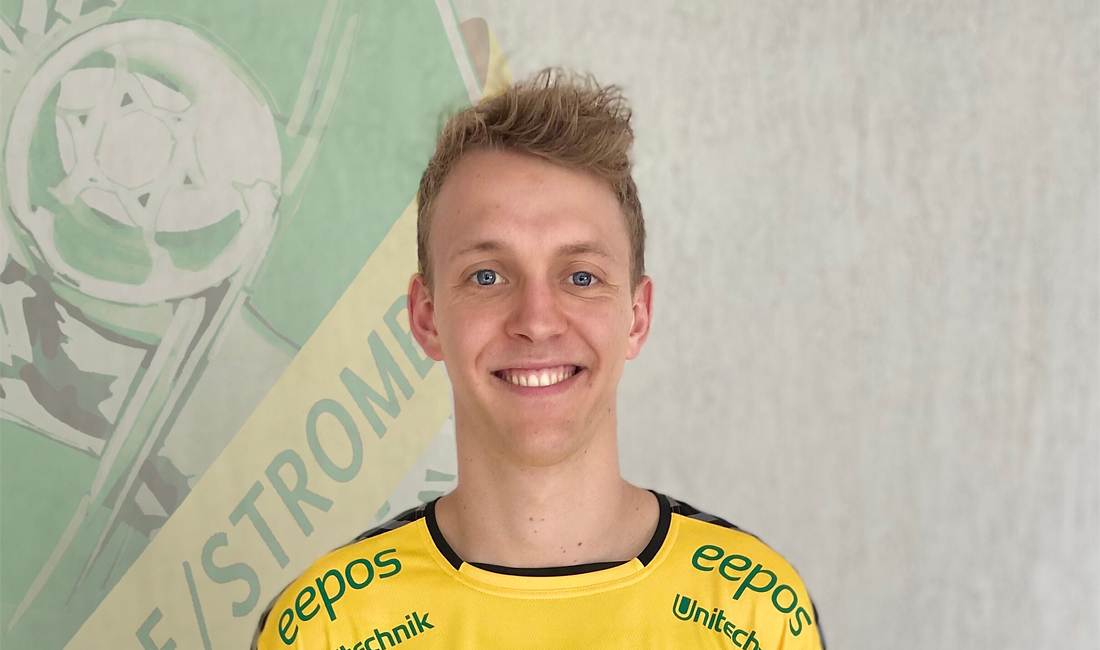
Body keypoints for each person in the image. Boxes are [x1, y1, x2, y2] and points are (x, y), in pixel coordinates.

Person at [253, 68, 825, 650]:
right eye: (487, 276)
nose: (537, 320)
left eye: (581, 276)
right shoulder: (330, 627)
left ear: (637, 317)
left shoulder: (753, 612)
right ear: (426, 318)